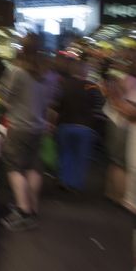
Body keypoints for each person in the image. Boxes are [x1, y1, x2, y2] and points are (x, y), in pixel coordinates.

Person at [0, 34, 53, 231]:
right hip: (38, 127)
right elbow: (48, 101)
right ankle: (33, 207)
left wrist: (3, 98)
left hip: (19, 127)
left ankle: (23, 211)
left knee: (14, 168)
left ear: (22, 47)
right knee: (33, 168)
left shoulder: (17, 71)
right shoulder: (45, 73)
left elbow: (5, 96)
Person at [53, 56, 104, 191]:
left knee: (66, 153)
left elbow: (56, 105)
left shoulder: (63, 84)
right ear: (85, 72)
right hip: (85, 128)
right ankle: (76, 183)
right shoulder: (93, 87)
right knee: (81, 156)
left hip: (65, 125)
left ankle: (64, 180)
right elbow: (99, 107)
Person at [104, 48, 136, 213]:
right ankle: (117, 195)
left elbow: (128, 111)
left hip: (121, 124)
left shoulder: (128, 79)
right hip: (122, 125)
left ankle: (120, 196)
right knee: (118, 161)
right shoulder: (127, 78)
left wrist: (113, 97)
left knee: (118, 162)